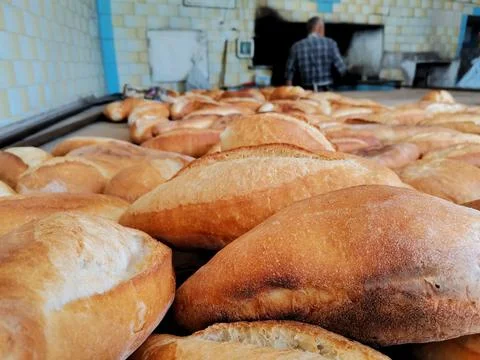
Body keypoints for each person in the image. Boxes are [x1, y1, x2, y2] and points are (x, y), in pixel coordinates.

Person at [285, 17, 347, 91]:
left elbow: (289, 73)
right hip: (326, 90)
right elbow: (341, 68)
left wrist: (289, 91)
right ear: (320, 27)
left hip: (306, 91)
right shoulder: (330, 43)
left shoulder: (296, 46)